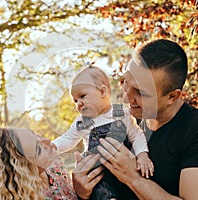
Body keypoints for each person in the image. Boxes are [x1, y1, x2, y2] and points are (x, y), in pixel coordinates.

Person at [72, 39, 198, 200]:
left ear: (172, 96)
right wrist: (83, 191)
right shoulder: (124, 122)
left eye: (140, 93)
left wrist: (133, 178)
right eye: (125, 82)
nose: (126, 98)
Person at [52, 66, 154, 199]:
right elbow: (68, 139)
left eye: (82, 96)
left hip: (125, 168)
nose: (79, 103)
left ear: (102, 91)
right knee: (100, 191)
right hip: (99, 174)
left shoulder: (121, 113)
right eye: (75, 100)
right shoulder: (83, 122)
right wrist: (53, 146)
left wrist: (142, 155)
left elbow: (136, 135)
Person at [0, 127, 77, 200]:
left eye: (35, 134)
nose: (47, 140)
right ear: (24, 169)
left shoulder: (54, 165)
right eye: (38, 149)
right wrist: (83, 195)